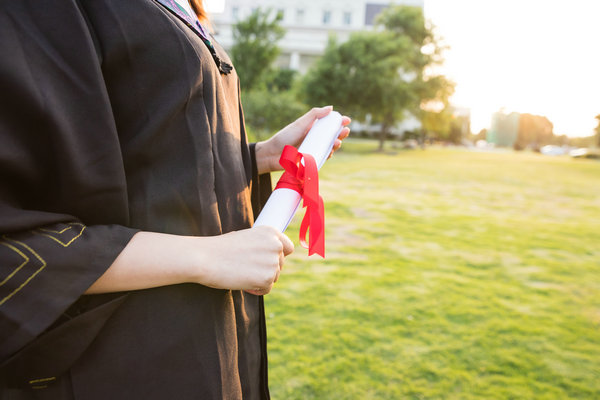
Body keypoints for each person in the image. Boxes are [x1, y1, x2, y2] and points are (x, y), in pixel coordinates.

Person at [0, 1, 350, 399]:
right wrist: (206, 256)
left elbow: (154, 160)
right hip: (126, 358)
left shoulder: (187, 6)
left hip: (220, 333)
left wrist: (258, 157)